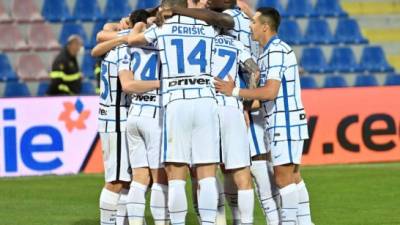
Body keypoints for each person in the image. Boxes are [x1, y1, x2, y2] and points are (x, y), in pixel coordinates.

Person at [214, 7, 313, 225]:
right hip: (282, 121)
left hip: (284, 122)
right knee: (293, 177)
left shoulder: (276, 51)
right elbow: (264, 97)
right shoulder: (268, 51)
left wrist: (235, 91)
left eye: (254, 22)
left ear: (265, 27)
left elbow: (270, 91)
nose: (250, 25)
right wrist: (245, 106)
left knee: (283, 178)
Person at [93, 9, 151, 225]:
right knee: (116, 180)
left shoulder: (117, 45)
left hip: (115, 117)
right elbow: (129, 85)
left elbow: (97, 48)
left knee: (129, 179)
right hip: (116, 118)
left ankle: (127, 221)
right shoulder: (126, 49)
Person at [117, 21, 170, 225]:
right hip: (155, 116)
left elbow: (128, 85)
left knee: (139, 177)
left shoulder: (129, 49)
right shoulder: (165, 45)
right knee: (159, 178)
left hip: (134, 116)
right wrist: (161, 83)